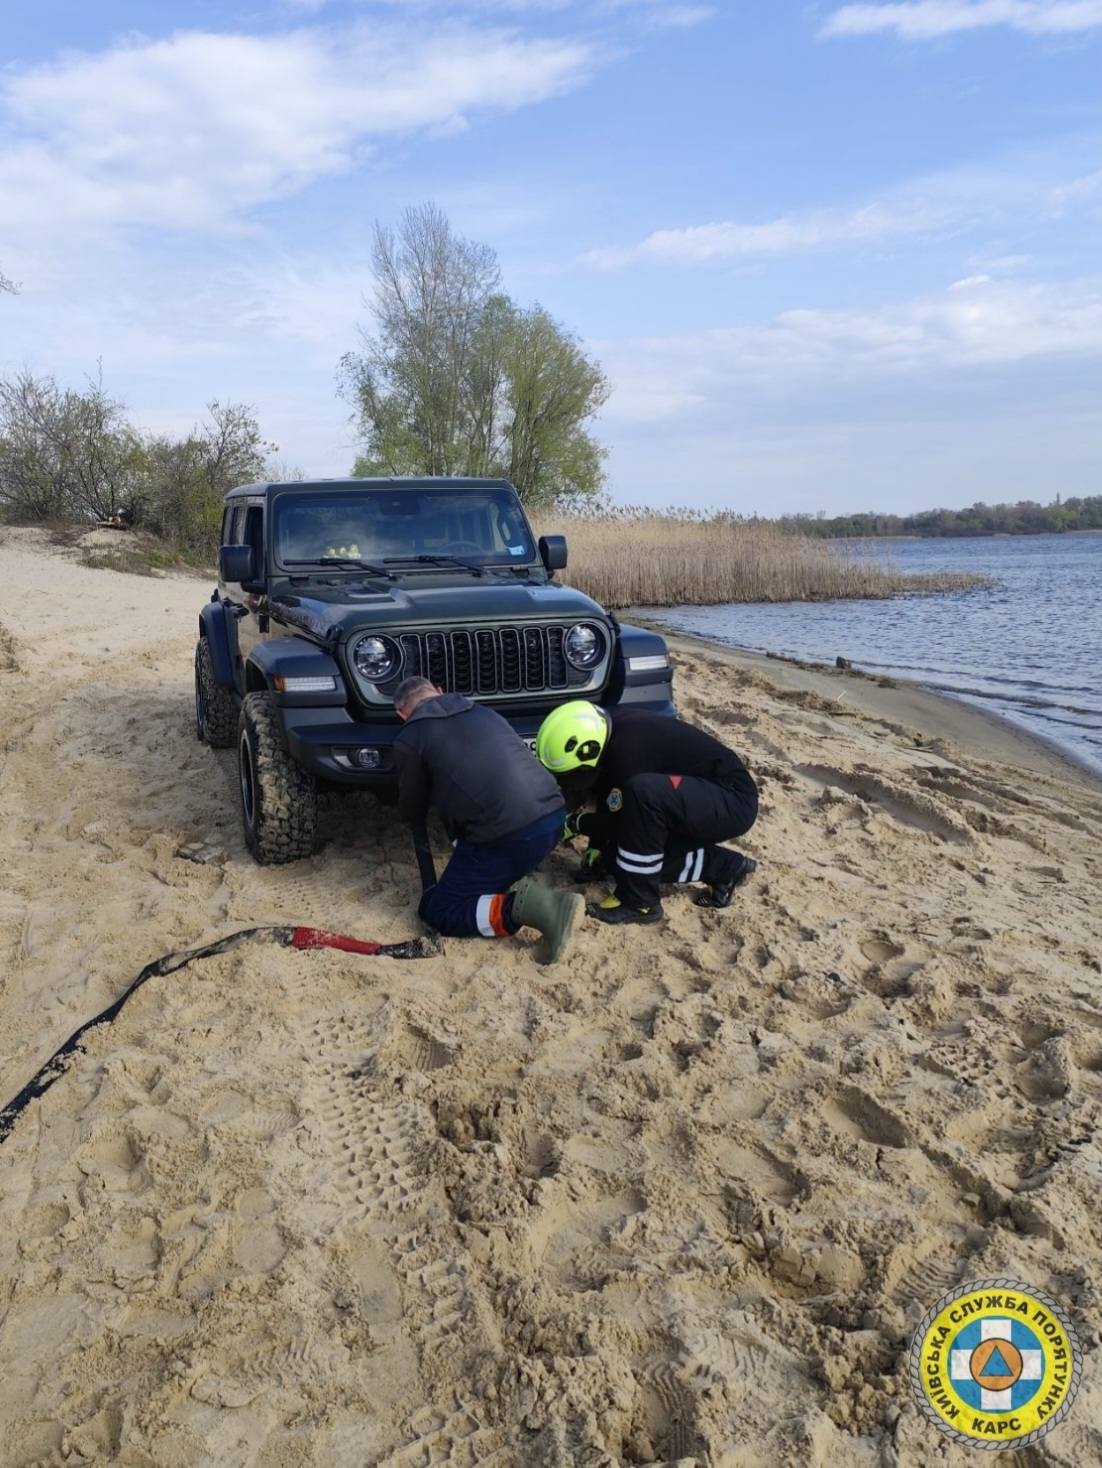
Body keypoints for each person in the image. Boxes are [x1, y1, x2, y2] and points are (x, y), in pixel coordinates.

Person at [392, 676, 583, 961]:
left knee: (439, 911)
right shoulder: (482, 711)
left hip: (512, 837)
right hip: (554, 818)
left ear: (401, 714)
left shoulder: (410, 736)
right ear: (440, 692)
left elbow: (412, 804)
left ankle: (537, 907)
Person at [536, 701, 758, 926]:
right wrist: (596, 846)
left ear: (588, 751)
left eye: (568, 778)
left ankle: (640, 903)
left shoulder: (628, 753)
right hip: (692, 796)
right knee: (619, 861)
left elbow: (624, 822)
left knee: (642, 797)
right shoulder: (608, 730)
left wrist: (577, 823)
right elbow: (609, 792)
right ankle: (724, 867)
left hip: (731, 800)